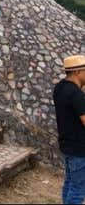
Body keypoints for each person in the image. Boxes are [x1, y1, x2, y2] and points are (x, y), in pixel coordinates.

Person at [55, 55, 85, 204]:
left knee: (70, 183)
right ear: (78, 72)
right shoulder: (76, 95)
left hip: (67, 145)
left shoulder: (60, 87)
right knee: (78, 190)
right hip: (80, 149)